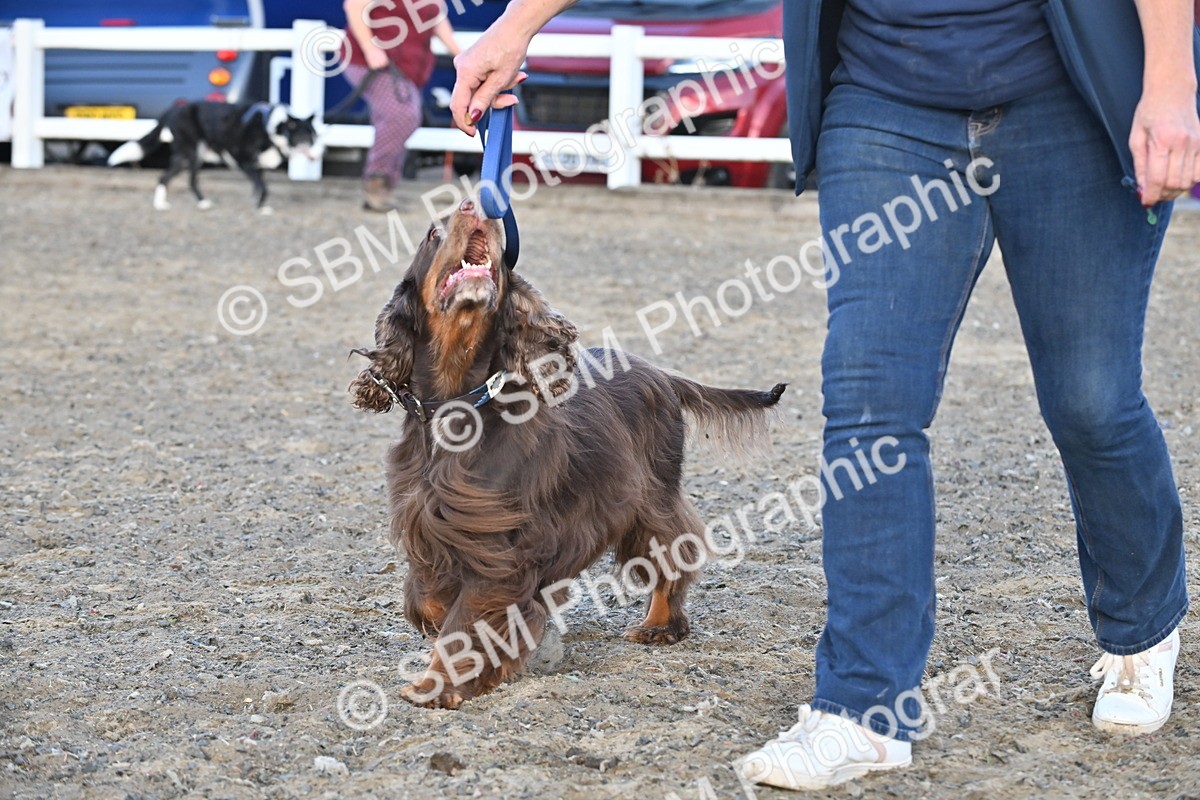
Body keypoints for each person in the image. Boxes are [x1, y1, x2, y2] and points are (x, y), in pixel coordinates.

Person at [449, 0, 1200, 791]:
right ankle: (862, 709)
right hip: (889, 101)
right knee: (870, 400)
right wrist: (514, 27)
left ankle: (1141, 631)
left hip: (1068, 101)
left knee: (1092, 401)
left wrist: (1169, 82)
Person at [342, 0, 461, 211]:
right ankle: (377, 179)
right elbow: (354, 6)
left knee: (398, 119)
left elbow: (437, 19)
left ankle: (384, 186)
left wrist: (461, 56)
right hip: (370, 61)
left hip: (406, 67)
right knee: (403, 115)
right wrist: (370, 49)